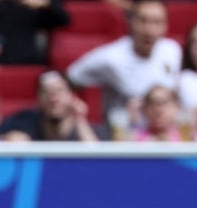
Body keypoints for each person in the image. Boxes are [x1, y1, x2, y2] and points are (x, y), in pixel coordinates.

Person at [66, 0, 183, 128]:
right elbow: (69, 78)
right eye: (143, 21)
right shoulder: (109, 58)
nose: (149, 30)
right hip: (122, 140)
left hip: (165, 139)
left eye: (157, 22)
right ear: (131, 22)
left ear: (165, 26)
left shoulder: (172, 50)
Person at [0, 70, 101, 141]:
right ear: (38, 100)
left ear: (72, 97)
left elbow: (98, 163)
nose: (53, 98)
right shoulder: (22, 121)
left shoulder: (90, 129)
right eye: (46, 92)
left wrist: (80, 120)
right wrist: (7, 139)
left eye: (59, 91)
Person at [132, 84, 197, 141]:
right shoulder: (135, 141)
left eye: (164, 103)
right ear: (145, 109)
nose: (159, 109)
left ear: (176, 107)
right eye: (153, 103)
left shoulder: (190, 137)